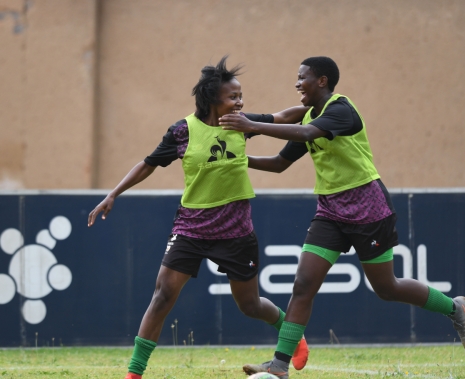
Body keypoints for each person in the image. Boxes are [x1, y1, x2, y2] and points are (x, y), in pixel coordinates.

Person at [219, 56, 465, 379]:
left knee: (386, 287)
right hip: (330, 212)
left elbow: (307, 132)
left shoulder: (341, 111)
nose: (297, 83)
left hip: (368, 208)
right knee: (303, 284)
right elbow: (278, 163)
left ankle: (455, 308)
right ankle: (280, 365)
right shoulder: (311, 117)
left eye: (303, 78)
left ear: (322, 81)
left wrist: (252, 126)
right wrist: (236, 159)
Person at [87, 56, 310, 379]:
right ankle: (134, 374)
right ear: (212, 100)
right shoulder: (182, 131)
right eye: (233, 96)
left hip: (236, 231)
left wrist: (320, 106)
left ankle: (292, 334)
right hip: (191, 228)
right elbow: (148, 163)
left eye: (240, 95)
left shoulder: (242, 124)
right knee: (163, 294)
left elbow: (283, 116)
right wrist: (113, 194)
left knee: (249, 305)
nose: (240, 101)